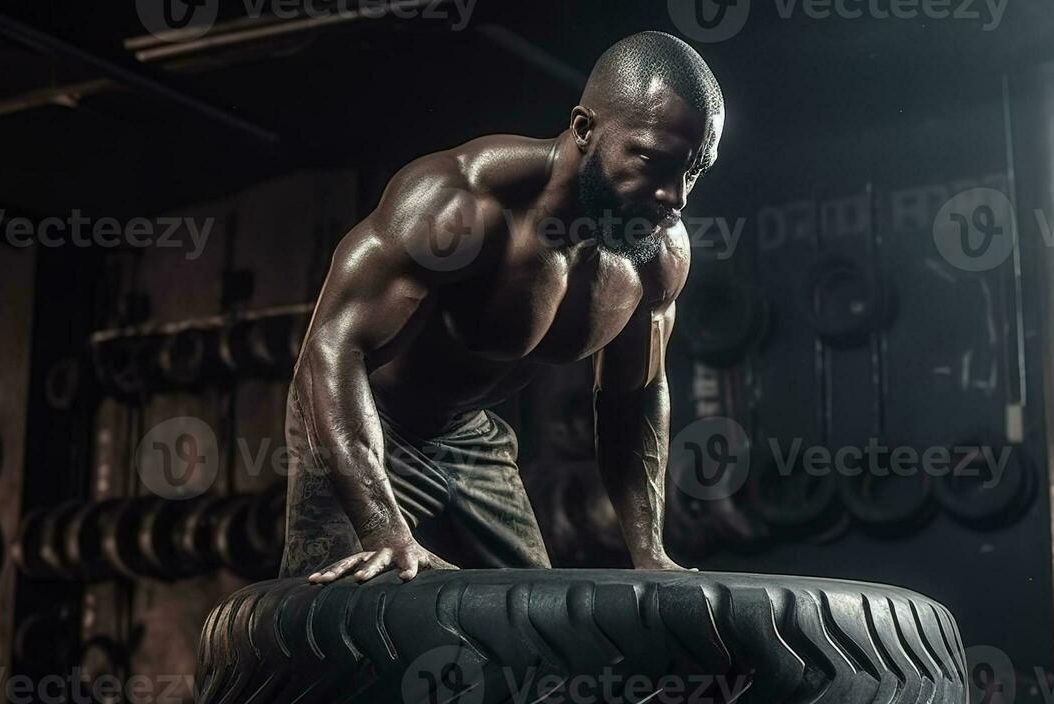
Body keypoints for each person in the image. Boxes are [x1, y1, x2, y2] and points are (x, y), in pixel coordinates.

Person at [281, 30, 724, 584]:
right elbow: (331, 348)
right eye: (654, 162)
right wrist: (381, 528)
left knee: (531, 627)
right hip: (371, 417)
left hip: (470, 439)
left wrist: (650, 553)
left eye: (694, 170)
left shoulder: (654, 255)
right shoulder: (460, 204)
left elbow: (633, 396)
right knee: (330, 627)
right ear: (585, 129)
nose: (676, 196)